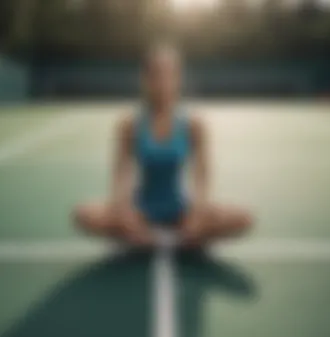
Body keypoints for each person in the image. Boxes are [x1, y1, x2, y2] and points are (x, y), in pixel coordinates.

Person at [73, 44, 253, 247]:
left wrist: (197, 214)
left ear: (178, 79)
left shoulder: (194, 124)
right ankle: (151, 237)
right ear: (145, 80)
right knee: (84, 214)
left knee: (243, 218)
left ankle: (178, 236)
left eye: (169, 74)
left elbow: (202, 177)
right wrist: (125, 214)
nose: (162, 82)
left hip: (180, 209)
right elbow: (120, 176)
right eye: (156, 75)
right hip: (141, 208)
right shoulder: (129, 125)